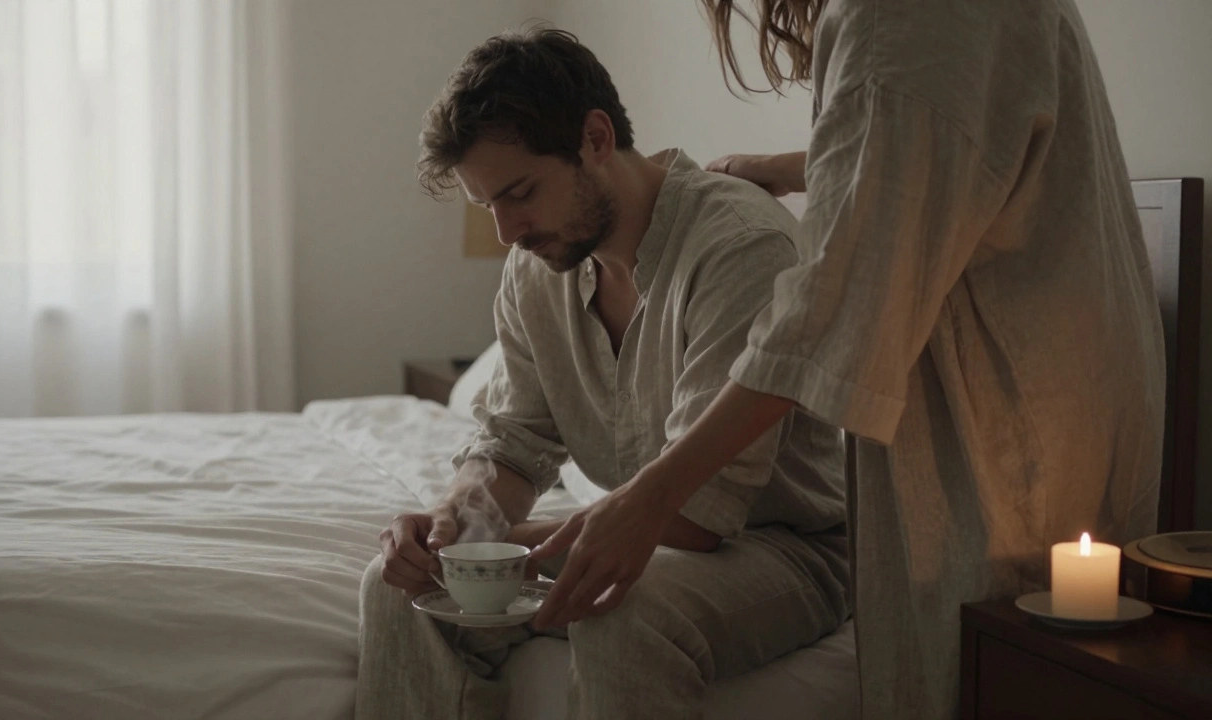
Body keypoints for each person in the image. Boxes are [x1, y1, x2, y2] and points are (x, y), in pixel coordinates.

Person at [527, 1, 1166, 718]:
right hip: (1064, 395)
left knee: (988, 675)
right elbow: (950, 143)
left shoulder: (902, 16)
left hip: (1009, 438)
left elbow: (816, 325)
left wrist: (648, 497)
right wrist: (799, 170)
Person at [355, 27, 851, 720]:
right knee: (399, 587)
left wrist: (498, 548)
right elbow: (514, 445)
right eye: (487, 206)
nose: (506, 232)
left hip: (783, 549)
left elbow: (700, 514)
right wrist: (454, 527)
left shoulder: (739, 247)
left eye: (520, 192)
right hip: (646, 533)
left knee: (623, 608)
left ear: (594, 138)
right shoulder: (538, 270)